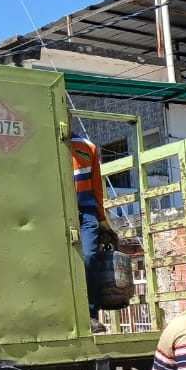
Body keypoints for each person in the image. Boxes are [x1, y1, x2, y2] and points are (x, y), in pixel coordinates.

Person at [71, 134, 118, 330]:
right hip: (56, 213)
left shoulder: (87, 147)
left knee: (89, 256)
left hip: (86, 213)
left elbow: (97, 187)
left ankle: (90, 315)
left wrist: (101, 219)